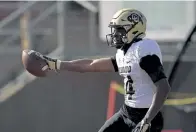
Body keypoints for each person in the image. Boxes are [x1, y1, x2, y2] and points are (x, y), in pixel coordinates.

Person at [37, 8, 171, 132]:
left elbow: (163, 87)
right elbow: (91, 65)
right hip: (127, 113)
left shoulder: (143, 49)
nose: (114, 34)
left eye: (119, 30)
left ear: (133, 29)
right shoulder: (124, 53)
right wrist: (58, 64)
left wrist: (146, 121)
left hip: (148, 116)